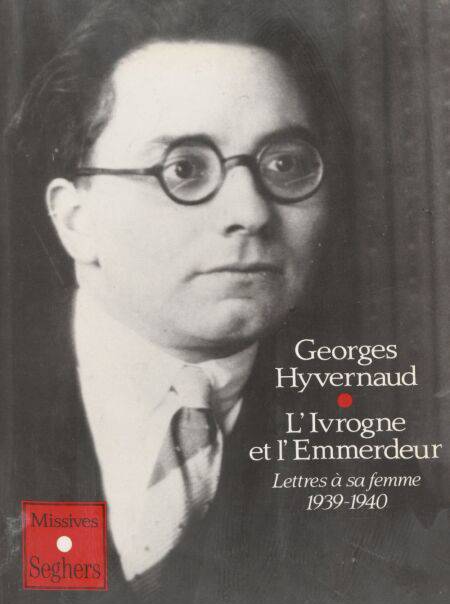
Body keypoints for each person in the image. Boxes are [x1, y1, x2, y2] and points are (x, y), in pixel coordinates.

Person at [2, 1, 449, 603]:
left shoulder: (386, 465)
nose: (251, 212)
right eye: (185, 169)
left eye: (285, 164)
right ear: (75, 218)